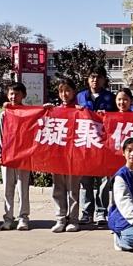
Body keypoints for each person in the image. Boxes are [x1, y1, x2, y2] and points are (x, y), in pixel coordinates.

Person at [75, 67, 115, 229]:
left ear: (104, 80)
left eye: (98, 77)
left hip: (104, 145)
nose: (95, 80)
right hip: (85, 144)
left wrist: (108, 115)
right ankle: (86, 212)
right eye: (92, 77)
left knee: (104, 181)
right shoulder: (80, 96)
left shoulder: (110, 98)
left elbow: (119, 117)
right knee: (85, 181)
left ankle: (101, 212)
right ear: (87, 79)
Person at [0, 81, 32, 231]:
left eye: (17, 94)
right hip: (7, 156)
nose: (13, 97)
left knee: (23, 189)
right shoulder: (4, 114)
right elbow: (0, 135)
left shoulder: (29, 113)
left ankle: (23, 217)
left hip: (23, 157)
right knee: (7, 189)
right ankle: (8, 218)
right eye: (11, 93)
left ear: (23, 95)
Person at [48, 79, 80, 232]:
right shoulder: (54, 110)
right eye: (61, 91)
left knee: (73, 190)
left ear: (73, 92)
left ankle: (73, 219)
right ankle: (60, 218)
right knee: (58, 188)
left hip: (74, 157)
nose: (64, 94)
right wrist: (45, 111)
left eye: (67, 90)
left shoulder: (80, 111)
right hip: (58, 156)